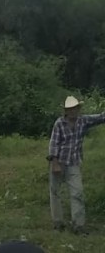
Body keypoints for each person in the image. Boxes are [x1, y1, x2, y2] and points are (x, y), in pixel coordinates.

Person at [47, 95, 105, 234]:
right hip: (59, 161)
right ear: (66, 111)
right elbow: (54, 143)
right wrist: (55, 163)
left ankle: (78, 225)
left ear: (78, 109)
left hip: (74, 162)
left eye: (75, 108)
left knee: (77, 192)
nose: (73, 111)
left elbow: (100, 117)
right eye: (70, 109)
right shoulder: (59, 123)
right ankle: (58, 222)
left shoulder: (83, 121)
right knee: (55, 192)